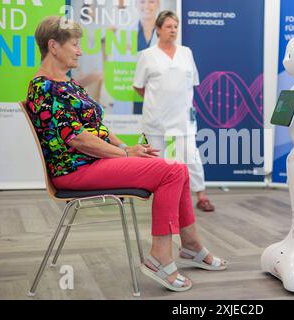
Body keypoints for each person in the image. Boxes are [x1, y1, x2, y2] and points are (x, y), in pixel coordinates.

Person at [26, 16, 226, 292]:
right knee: (172, 171)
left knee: (177, 168)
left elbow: (97, 129)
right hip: (74, 171)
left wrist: (125, 148)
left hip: (92, 164)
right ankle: (161, 257)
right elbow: (78, 140)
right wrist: (125, 155)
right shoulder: (43, 87)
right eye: (74, 44)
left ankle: (190, 246)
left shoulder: (68, 83)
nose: (80, 50)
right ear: (53, 46)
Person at [133, 11, 216, 212]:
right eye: (169, 26)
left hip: (183, 117)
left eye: (175, 26)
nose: (173, 30)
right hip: (156, 119)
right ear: (159, 29)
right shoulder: (147, 55)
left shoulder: (186, 53)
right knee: (156, 160)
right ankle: (159, 198)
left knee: (191, 156)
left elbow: (193, 83)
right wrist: (157, 102)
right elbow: (138, 85)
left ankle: (201, 195)